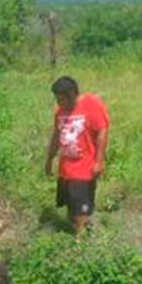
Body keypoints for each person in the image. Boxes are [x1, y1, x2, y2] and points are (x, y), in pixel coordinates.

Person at [43, 76, 110, 239]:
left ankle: (80, 240)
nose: (59, 103)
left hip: (84, 166)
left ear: (72, 94)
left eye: (62, 99)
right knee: (71, 204)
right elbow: (56, 135)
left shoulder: (91, 104)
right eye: (57, 99)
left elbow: (102, 130)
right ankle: (78, 227)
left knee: (81, 204)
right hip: (66, 167)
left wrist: (99, 161)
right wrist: (49, 159)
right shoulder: (60, 111)